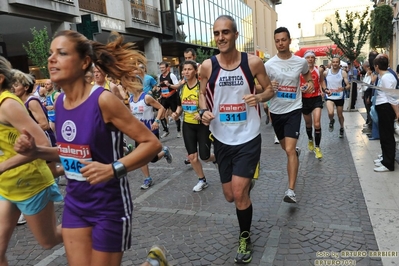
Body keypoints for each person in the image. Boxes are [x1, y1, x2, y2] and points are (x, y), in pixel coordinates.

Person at [14, 30, 162, 266]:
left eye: (61, 53)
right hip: (75, 204)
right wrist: (36, 152)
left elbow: (152, 144)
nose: (51, 59)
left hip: (109, 206)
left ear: (84, 62)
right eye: (51, 53)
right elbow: (68, 151)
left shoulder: (103, 100)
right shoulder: (59, 102)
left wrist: (113, 169)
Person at [199, 15, 274, 264]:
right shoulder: (207, 67)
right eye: (217, 33)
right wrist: (202, 112)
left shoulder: (252, 63)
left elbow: (269, 89)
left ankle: (245, 238)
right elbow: (201, 95)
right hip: (221, 137)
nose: (221, 37)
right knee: (230, 195)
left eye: (226, 32)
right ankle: (246, 183)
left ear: (235, 35)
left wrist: (260, 98)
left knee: (240, 193)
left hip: (248, 136)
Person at [0, 56, 63, 265]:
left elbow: (43, 144)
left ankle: (93, 225)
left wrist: (3, 166)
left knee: (49, 240)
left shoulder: (7, 105)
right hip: (6, 186)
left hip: (30, 183)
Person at [264, 27, 314, 204]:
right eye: (277, 40)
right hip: (276, 111)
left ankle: (291, 191)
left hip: (294, 109)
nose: (280, 43)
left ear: (289, 40)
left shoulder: (299, 62)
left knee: (290, 150)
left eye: (283, 40)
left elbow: (307, 74)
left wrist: (309, 83)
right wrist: (270, 85)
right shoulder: (269, 65)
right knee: (286, 149)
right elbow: (261, 86)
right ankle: (294, 153)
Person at [172, 60, 216, 192]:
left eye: (189, 69)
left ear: (195, 71)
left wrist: (202, 113)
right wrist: (176, 113)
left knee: (205, 156)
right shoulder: (182, 88)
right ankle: (202, 180)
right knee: (192, 156)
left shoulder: (201, 87)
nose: (186, 72)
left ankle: (217, 158)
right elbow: (180, 106)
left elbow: (210, 105)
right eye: (184, 69)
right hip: (188, 125)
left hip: (202, 125)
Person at [129, 73, 173, 189]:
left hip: (150, 131)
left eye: (132, 82)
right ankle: (147, 179)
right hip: (138, 133)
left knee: (152, 159)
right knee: (141, 157)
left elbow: (161, 108)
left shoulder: (146, 97)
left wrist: (157, 121)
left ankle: (164, 151)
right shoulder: (130, 99)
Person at [372, 55, 398, 172]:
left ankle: (388, 163)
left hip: (386, 108)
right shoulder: (383, 76)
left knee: (387, 136)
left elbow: (392, 97)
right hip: (383, 108)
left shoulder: (387, 77)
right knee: (384, 135)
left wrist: (397, 113)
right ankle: (385, 158)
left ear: (377, 66)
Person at [299, 50, 326, 159]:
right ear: (304, 60)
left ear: (314, 59)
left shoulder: (318, 70)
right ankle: (310, 139)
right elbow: (296, 85)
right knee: (308, 124)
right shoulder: (300, 72)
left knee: (317, 123)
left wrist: (326, 89)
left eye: (312, 57)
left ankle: (318, 147)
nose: (310, 59)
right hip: (304, 99)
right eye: (308, 57)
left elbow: (322, 82)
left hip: (316, 98)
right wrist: (300, 89)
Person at [323, 56, 350, 138]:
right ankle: (331, 120)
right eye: (333, 62)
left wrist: (344, 88)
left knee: (340, 115)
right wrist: (323, 90)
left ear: (339, 63)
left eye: (336, 62)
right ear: (331, 63)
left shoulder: (343, 73)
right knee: (330, 113)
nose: (335, 64)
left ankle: (341, 128)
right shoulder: (326, 72)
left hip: (339, 96)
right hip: (330, 96)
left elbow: (348, 85)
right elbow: (321, 81)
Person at [158, 61, 182, 138]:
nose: (161, 69)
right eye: (160, 68)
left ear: (167, 68)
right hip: (164, 98)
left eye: (163, 68)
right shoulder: (160, 76)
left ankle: (178, 131)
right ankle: (166, 130)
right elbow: (162, 87)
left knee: (175, 115)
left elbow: (177, 86)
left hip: (172, 98)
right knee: (161, 114)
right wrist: (160, 94)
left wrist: (169, 84)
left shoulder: (172, 75)